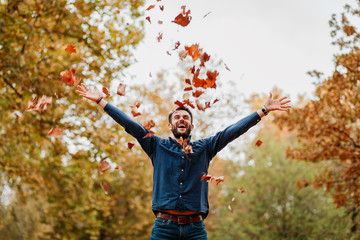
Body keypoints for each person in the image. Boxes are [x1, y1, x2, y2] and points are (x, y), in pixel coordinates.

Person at [76, 84, 291, 240]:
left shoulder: (205, 148)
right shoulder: (156, 146)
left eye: (186, 118)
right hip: (163, 228)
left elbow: (232, 131)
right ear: (170, 126)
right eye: (177, 117)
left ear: (191, 126)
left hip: (195, 230)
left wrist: (262, 111)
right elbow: (130, 124)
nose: (181, 119)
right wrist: (100, 101)